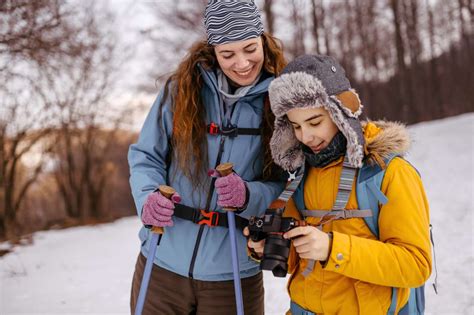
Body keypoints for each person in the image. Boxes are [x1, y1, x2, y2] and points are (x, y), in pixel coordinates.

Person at [128, 0, 287, 314]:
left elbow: (287, 181)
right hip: (162, 264)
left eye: (250, 48)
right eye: (228, 54)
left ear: (263, 42)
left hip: (233, 274)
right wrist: (148, 197)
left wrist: (249, 195)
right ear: (213, 50)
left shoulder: (281, 100)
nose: (242, 63)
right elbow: (146, 155)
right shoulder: (181, 90)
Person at [246, 54, 432, 314]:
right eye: (296, 126)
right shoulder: (300, 176)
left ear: (341, 111)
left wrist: (333, 248)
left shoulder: (388, 173)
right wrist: (268, 247)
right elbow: (295, 261)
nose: (306, 136)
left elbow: (415, 265)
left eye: (315, 122)